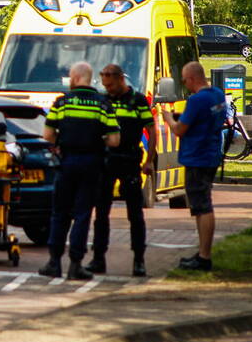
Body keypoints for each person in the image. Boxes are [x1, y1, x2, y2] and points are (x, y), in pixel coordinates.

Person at [39, 62, 120, 281]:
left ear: (75, 78)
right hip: (92, 164)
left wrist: (62, 141)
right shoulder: (102, 105)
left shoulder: (62, 103)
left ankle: (54, 262)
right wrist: (96, 140)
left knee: (60, 213)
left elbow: (47, 135)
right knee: (83, 214)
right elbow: (114, 140)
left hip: (67, 162)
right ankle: (76, 264)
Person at [89, 64, 156, 277]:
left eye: (110, 85)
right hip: (106, 162)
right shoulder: (104, 100)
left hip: (129, 161)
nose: (108, 89)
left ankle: (139, 260)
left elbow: (151, 129)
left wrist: (150, 160)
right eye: (105, 85)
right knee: (101, 213)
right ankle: (98, 258)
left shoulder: (137, 100)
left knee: (135, 214)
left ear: (120, 79)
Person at [162, 61, 226, 271]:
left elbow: (179, 130)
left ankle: (205, 256)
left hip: (197, 156)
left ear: (191, 79)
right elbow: (203, 119)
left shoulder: (197, 100)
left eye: (184, 79)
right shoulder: (217, 95)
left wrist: (168, 119)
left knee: (202, 206)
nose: (183, 83)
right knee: (200, 205)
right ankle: (202, 253)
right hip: (211, 153)